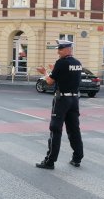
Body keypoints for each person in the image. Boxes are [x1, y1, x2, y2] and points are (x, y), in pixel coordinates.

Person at [35, 39, 84, 170]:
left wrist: (44, 73)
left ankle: (50, 161)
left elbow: (50, 81)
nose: (58, 52)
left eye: (60, 49)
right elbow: (67, 76)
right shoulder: (78, 63)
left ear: (68, 49)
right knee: (74, 129)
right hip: (74, 100)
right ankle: (77, 158)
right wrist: (55, 70)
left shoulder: (61, 63)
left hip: (62, 100)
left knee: (55, 129)